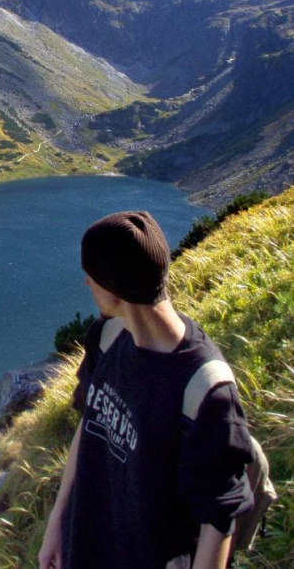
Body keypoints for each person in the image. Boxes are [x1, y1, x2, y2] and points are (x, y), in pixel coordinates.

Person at [39, 211, 254, 569]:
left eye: (91, 275)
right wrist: (57, 523)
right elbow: (89, 425)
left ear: (114, 288)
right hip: (87, 545)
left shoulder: (206, 390)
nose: (86, 283)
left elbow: (218, 520)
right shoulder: (106, 338)